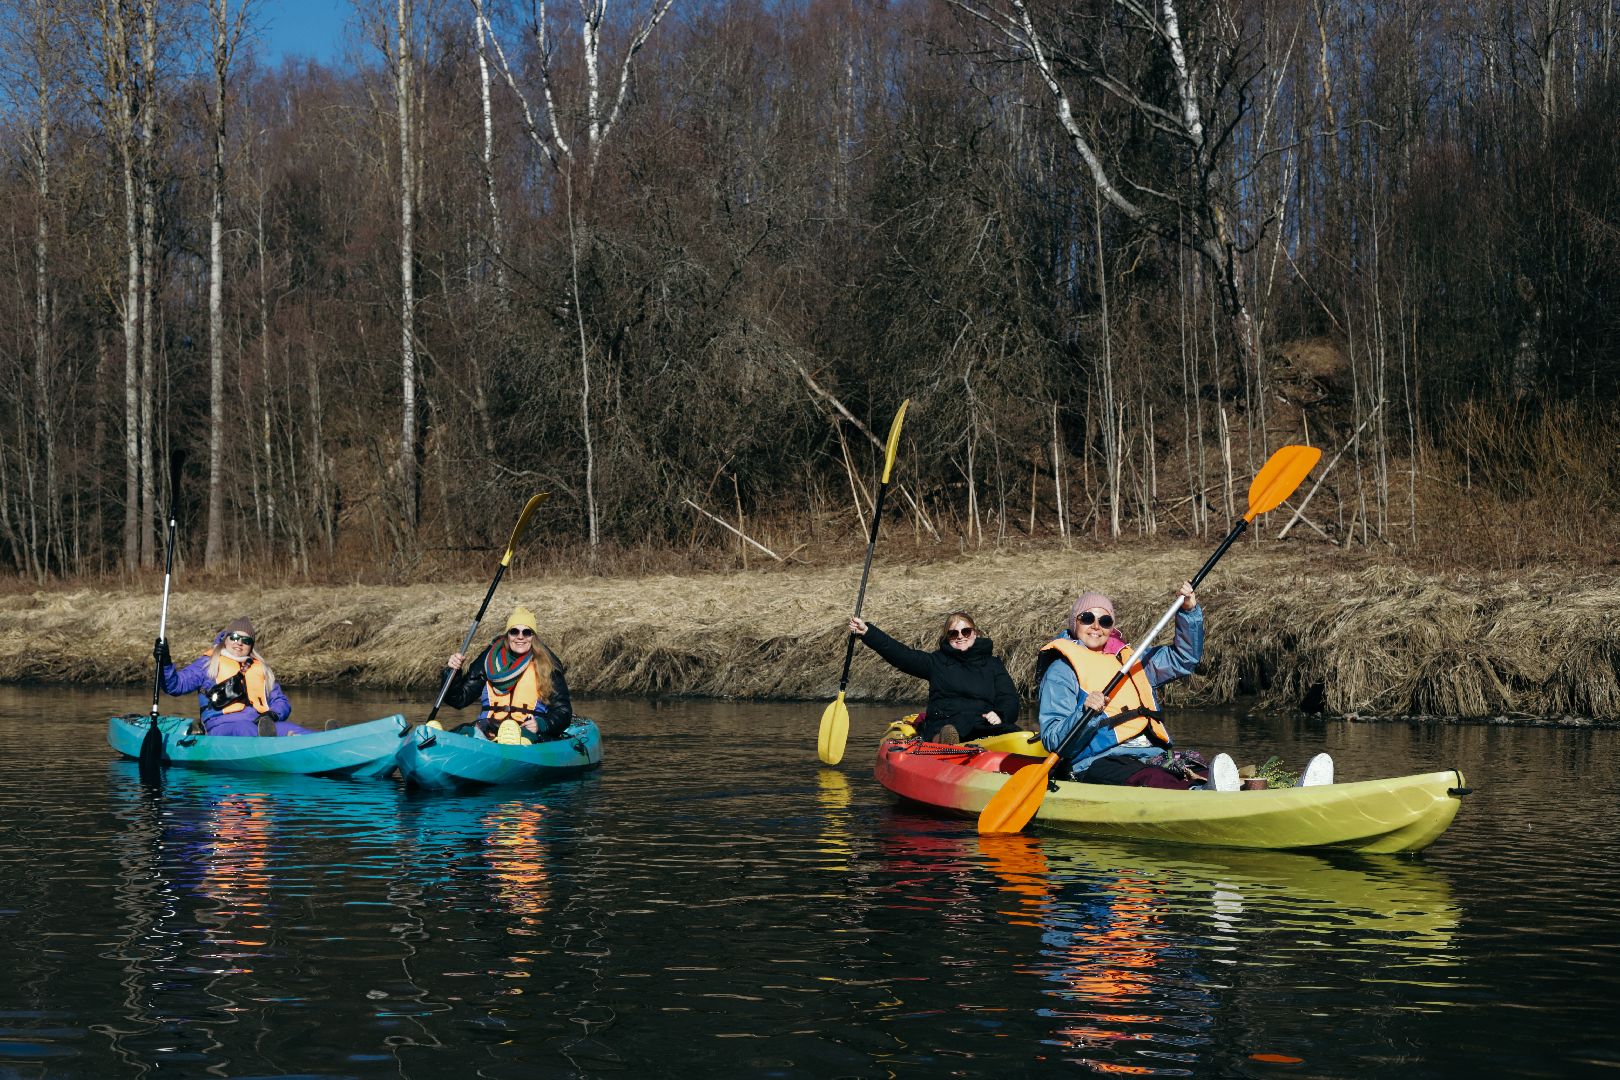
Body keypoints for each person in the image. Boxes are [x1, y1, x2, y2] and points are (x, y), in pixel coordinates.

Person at [1036, 586, 1206, 788]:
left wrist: (1188, 611)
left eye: (1105, 621)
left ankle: (1209, 789)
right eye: (1088, 618)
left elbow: (1183, 658)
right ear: (1075, 623)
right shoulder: (1061, 671)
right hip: (1096, 761)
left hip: (1149, 754)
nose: (1096, 626)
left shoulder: (1130, 661)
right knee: (1156, 780)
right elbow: (1053, 740)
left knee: (1202, 770)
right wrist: (1085, 713)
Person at [848, 610, 1022, 744]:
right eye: (954, 633)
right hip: (946, 722)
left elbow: (1009, 698)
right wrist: (868, 633)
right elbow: (902, 655)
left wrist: (1000, 714)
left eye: (966, 631)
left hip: (983, 723)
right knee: (951, 730)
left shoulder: (993, 664)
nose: (960, 637)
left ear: (974, 633)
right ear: (947, 638)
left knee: (1007, 730)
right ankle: (943, 742)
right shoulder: (936, 662)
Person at [439, 606, 574, 744]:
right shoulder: (488, 661)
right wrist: (453, 672)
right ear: (507, 635)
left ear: (533, 637)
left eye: (527, 632)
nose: (520, 637)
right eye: (514, 631)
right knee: (464, 731)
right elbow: (458, 699)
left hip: (527, 732)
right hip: (489, 728)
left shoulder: (548, 665)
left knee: (516, 738)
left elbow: (563, 712)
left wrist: (541, 724)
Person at [157, 617, 307, 737]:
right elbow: (175, 686)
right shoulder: (208, 663)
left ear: (251, 646)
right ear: (226, 639)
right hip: (220, 726)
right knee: (245, 729)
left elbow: (280, 700)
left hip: (257, 724)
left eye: (246, 640)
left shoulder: (261, 669)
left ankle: (323, 742)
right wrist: (165, 662)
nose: (239, 643)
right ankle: (272, 749)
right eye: (235, 637)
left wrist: (272, 714)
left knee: (292, 729)